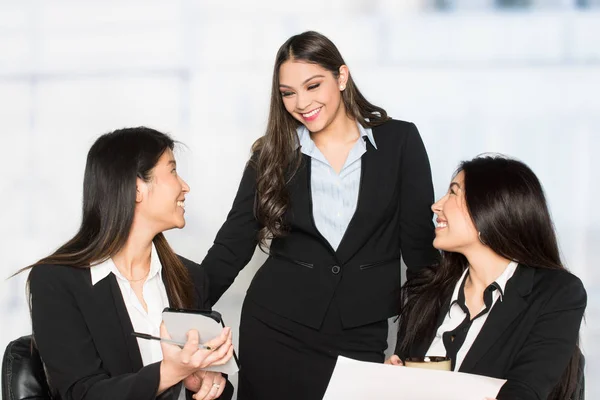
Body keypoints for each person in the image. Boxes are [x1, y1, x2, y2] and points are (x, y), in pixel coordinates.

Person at [200, 31, 440, 399]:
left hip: (361, 334)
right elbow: (232, 246)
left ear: (341, 77)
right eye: (288, 92)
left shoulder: (399, 143)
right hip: (275, 330)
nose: (302, 102)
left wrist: (416, 349)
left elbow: (421, 255)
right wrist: (184, 314)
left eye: (313, 85)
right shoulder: (272, 155)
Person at [24, 127, 234, 400]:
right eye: (172, 171)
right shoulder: (56, 281)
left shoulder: (190, 277)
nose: (185, 186)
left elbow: (220, 386)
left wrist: (206, 382)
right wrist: (170, 373)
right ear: (136, 188)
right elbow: (81, 393)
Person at [388, 155, 586, 400]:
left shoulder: (557, 293)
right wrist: (392, 383)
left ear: (489, 208)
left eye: (453, 193)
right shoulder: (426, 293)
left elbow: (525, 391)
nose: (436, 206)